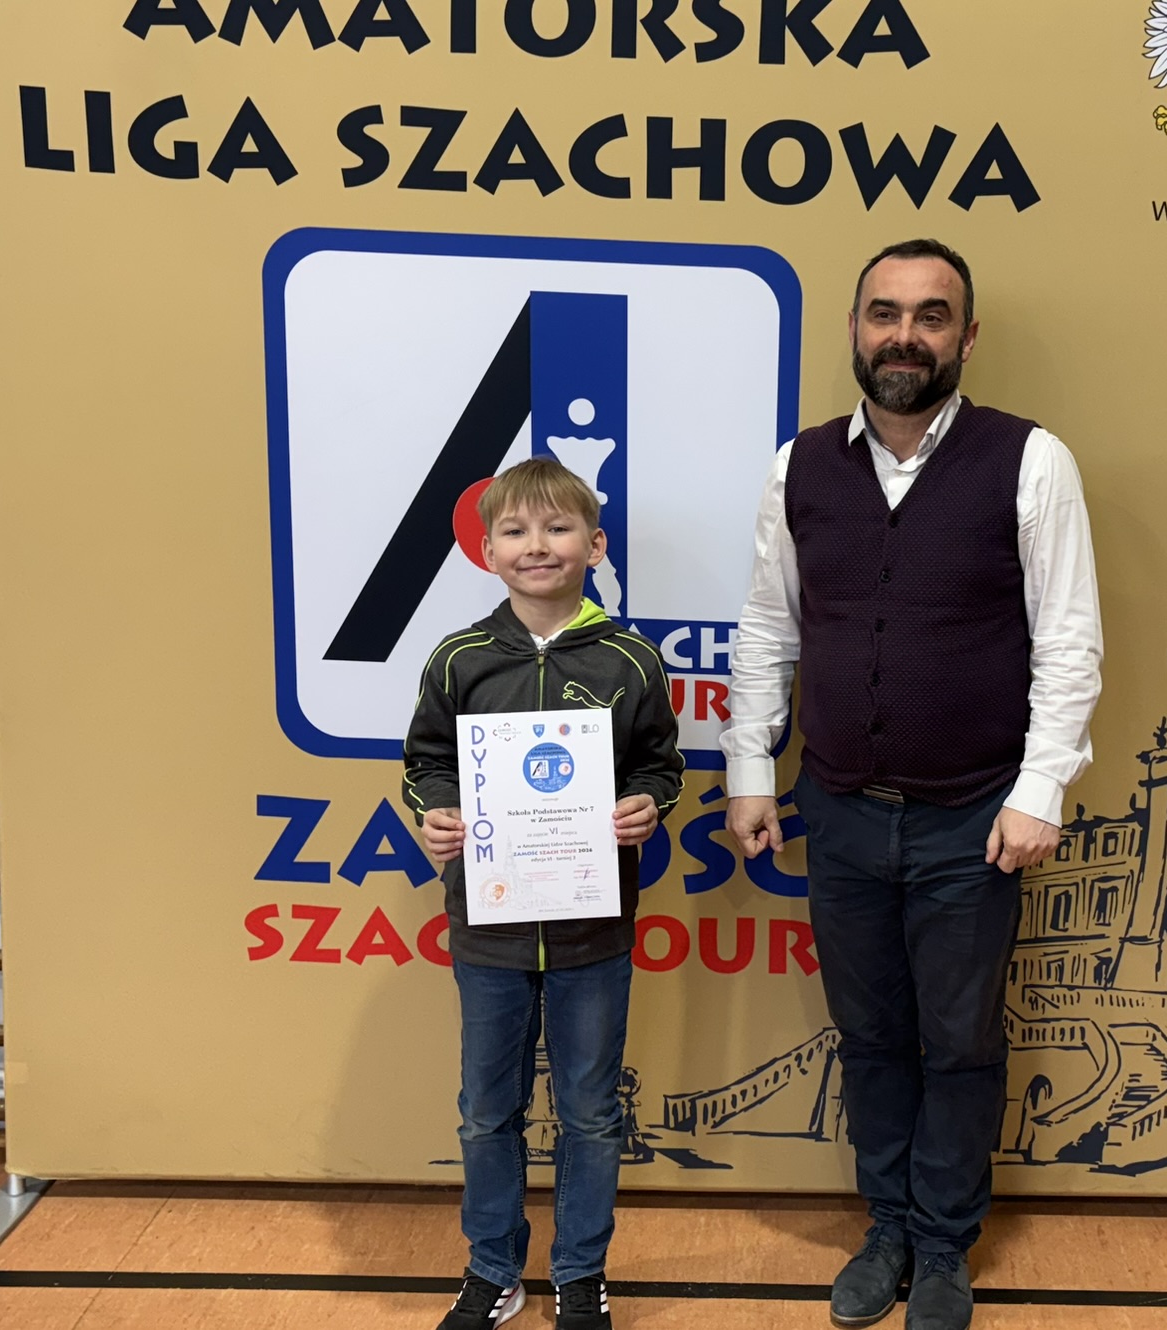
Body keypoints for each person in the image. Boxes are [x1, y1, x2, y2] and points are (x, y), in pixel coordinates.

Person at [724, 239, 1104, 1329]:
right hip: (839, 808)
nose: (905, 335)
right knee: (872, 1037)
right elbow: (768, 626)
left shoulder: (1031, 461)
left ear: (965, 338)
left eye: (931, 316)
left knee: (961, 1042)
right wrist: (750, 768)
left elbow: (1068, 640)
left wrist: (1040, 790)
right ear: (855, 329)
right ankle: (885, 1223)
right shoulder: (799, 466)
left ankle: (942, 1242)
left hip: (973, 820)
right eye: (884, 313)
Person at [406, 457, 686, 1330]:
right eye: (516, 531)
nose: (538, 546)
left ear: (594, 546)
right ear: (488, 551)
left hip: (592, 934)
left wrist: (648, 804)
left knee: (592, 1114)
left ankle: (580, 1272)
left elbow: (660, 764)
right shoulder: (459, 659)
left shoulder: (629, 660)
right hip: (488, 930)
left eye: (558, 528)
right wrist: (435, 813)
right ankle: (492, 1268)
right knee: (487, 1113)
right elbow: (426, 762)